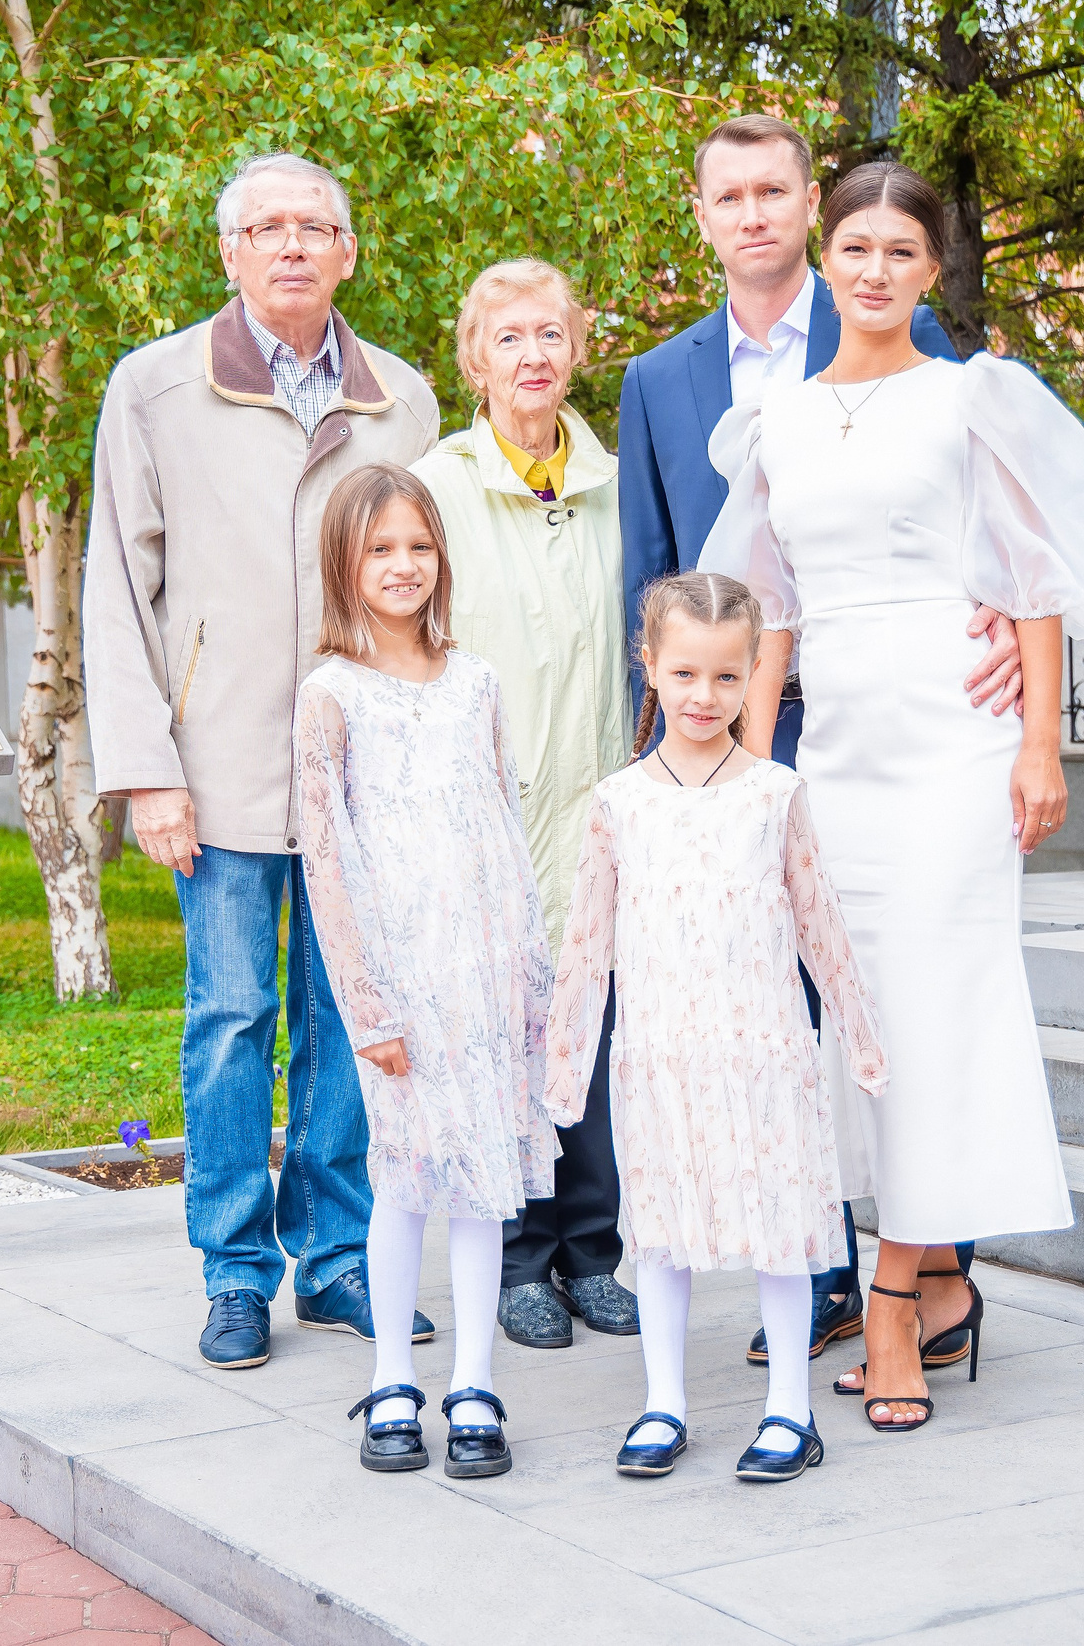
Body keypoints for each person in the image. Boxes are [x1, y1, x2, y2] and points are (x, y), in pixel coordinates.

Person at [703, 160, 1084, 1430]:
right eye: (856, 247)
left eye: (901, 250)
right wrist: (757, 771)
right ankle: (941, 1284)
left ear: (931, 272)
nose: (875, 269)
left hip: (956, 738)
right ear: (823, 263)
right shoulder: (776, 418)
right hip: (837, 753)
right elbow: (770, 609)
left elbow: (1032, 581)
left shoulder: (967, 400)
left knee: (938, 1015)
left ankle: (892, 1307)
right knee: (863, 1026)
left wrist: (1041, 747)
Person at [616, 112, 1011, 1365]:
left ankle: (906, 1274)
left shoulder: (902, 333)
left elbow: (981, 513)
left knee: (891, 995)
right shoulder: (657, 380)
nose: (751, 215)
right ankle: (827, 1262)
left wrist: (1003, 621)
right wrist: (675, 748)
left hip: (904, 720)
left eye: (773, 191)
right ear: (700, 212)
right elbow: (655, 570)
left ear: (807, 211)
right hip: (742, 734)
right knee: (782, 1020)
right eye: (727, 195)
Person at [84, 152, 442, 1370]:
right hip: (217, 761)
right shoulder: (152, 390)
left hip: (367, 771)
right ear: (229, 253)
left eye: (316, 227)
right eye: (266, 227)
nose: (292, 245)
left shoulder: (404, 398)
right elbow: (115, 593)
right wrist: (145, 768)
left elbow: (427, 586)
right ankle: (234, 1270)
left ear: (349, 251)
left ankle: (337, 1260)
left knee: (346, 1019)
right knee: (232, 1019)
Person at [545, 572, 887, 1484]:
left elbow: (818, 916)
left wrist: (857, 1026)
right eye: (686, 674)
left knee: (782, 1224)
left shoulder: (774, 793)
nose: (705, 697)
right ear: (650, 665)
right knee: (660, 1225)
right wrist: (566, 1060)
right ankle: (664, 1400)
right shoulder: (620, 801)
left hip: (762, 1049)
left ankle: (789, 1407)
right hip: (659, 1052)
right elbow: (587, 938)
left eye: (727, 678)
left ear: (753, 676)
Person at [295, 464, 557, 1480]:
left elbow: (500, 826)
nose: (403, 567)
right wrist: (367, 1004)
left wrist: (527, 972)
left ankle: (475, 1380)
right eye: (379, 550)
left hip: (484, 970)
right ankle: (396, 1375)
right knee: (403, 1176)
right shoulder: (330, 696)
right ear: (344, 566)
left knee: (483, 1181)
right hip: (399, 981)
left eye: (417, 545)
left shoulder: (476, 683)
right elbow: (327, 857)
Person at [411, 259, 640, 1351]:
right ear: (474, 359)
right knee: (502, 1038)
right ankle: (514, 1258)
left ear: (577, 348)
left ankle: (591, 1252)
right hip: (488, 813)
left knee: (588, 1034)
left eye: (549, 335)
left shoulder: (612, 482)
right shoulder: (440, 485)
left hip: (598, 802)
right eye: (508, 339)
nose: (532, 357)